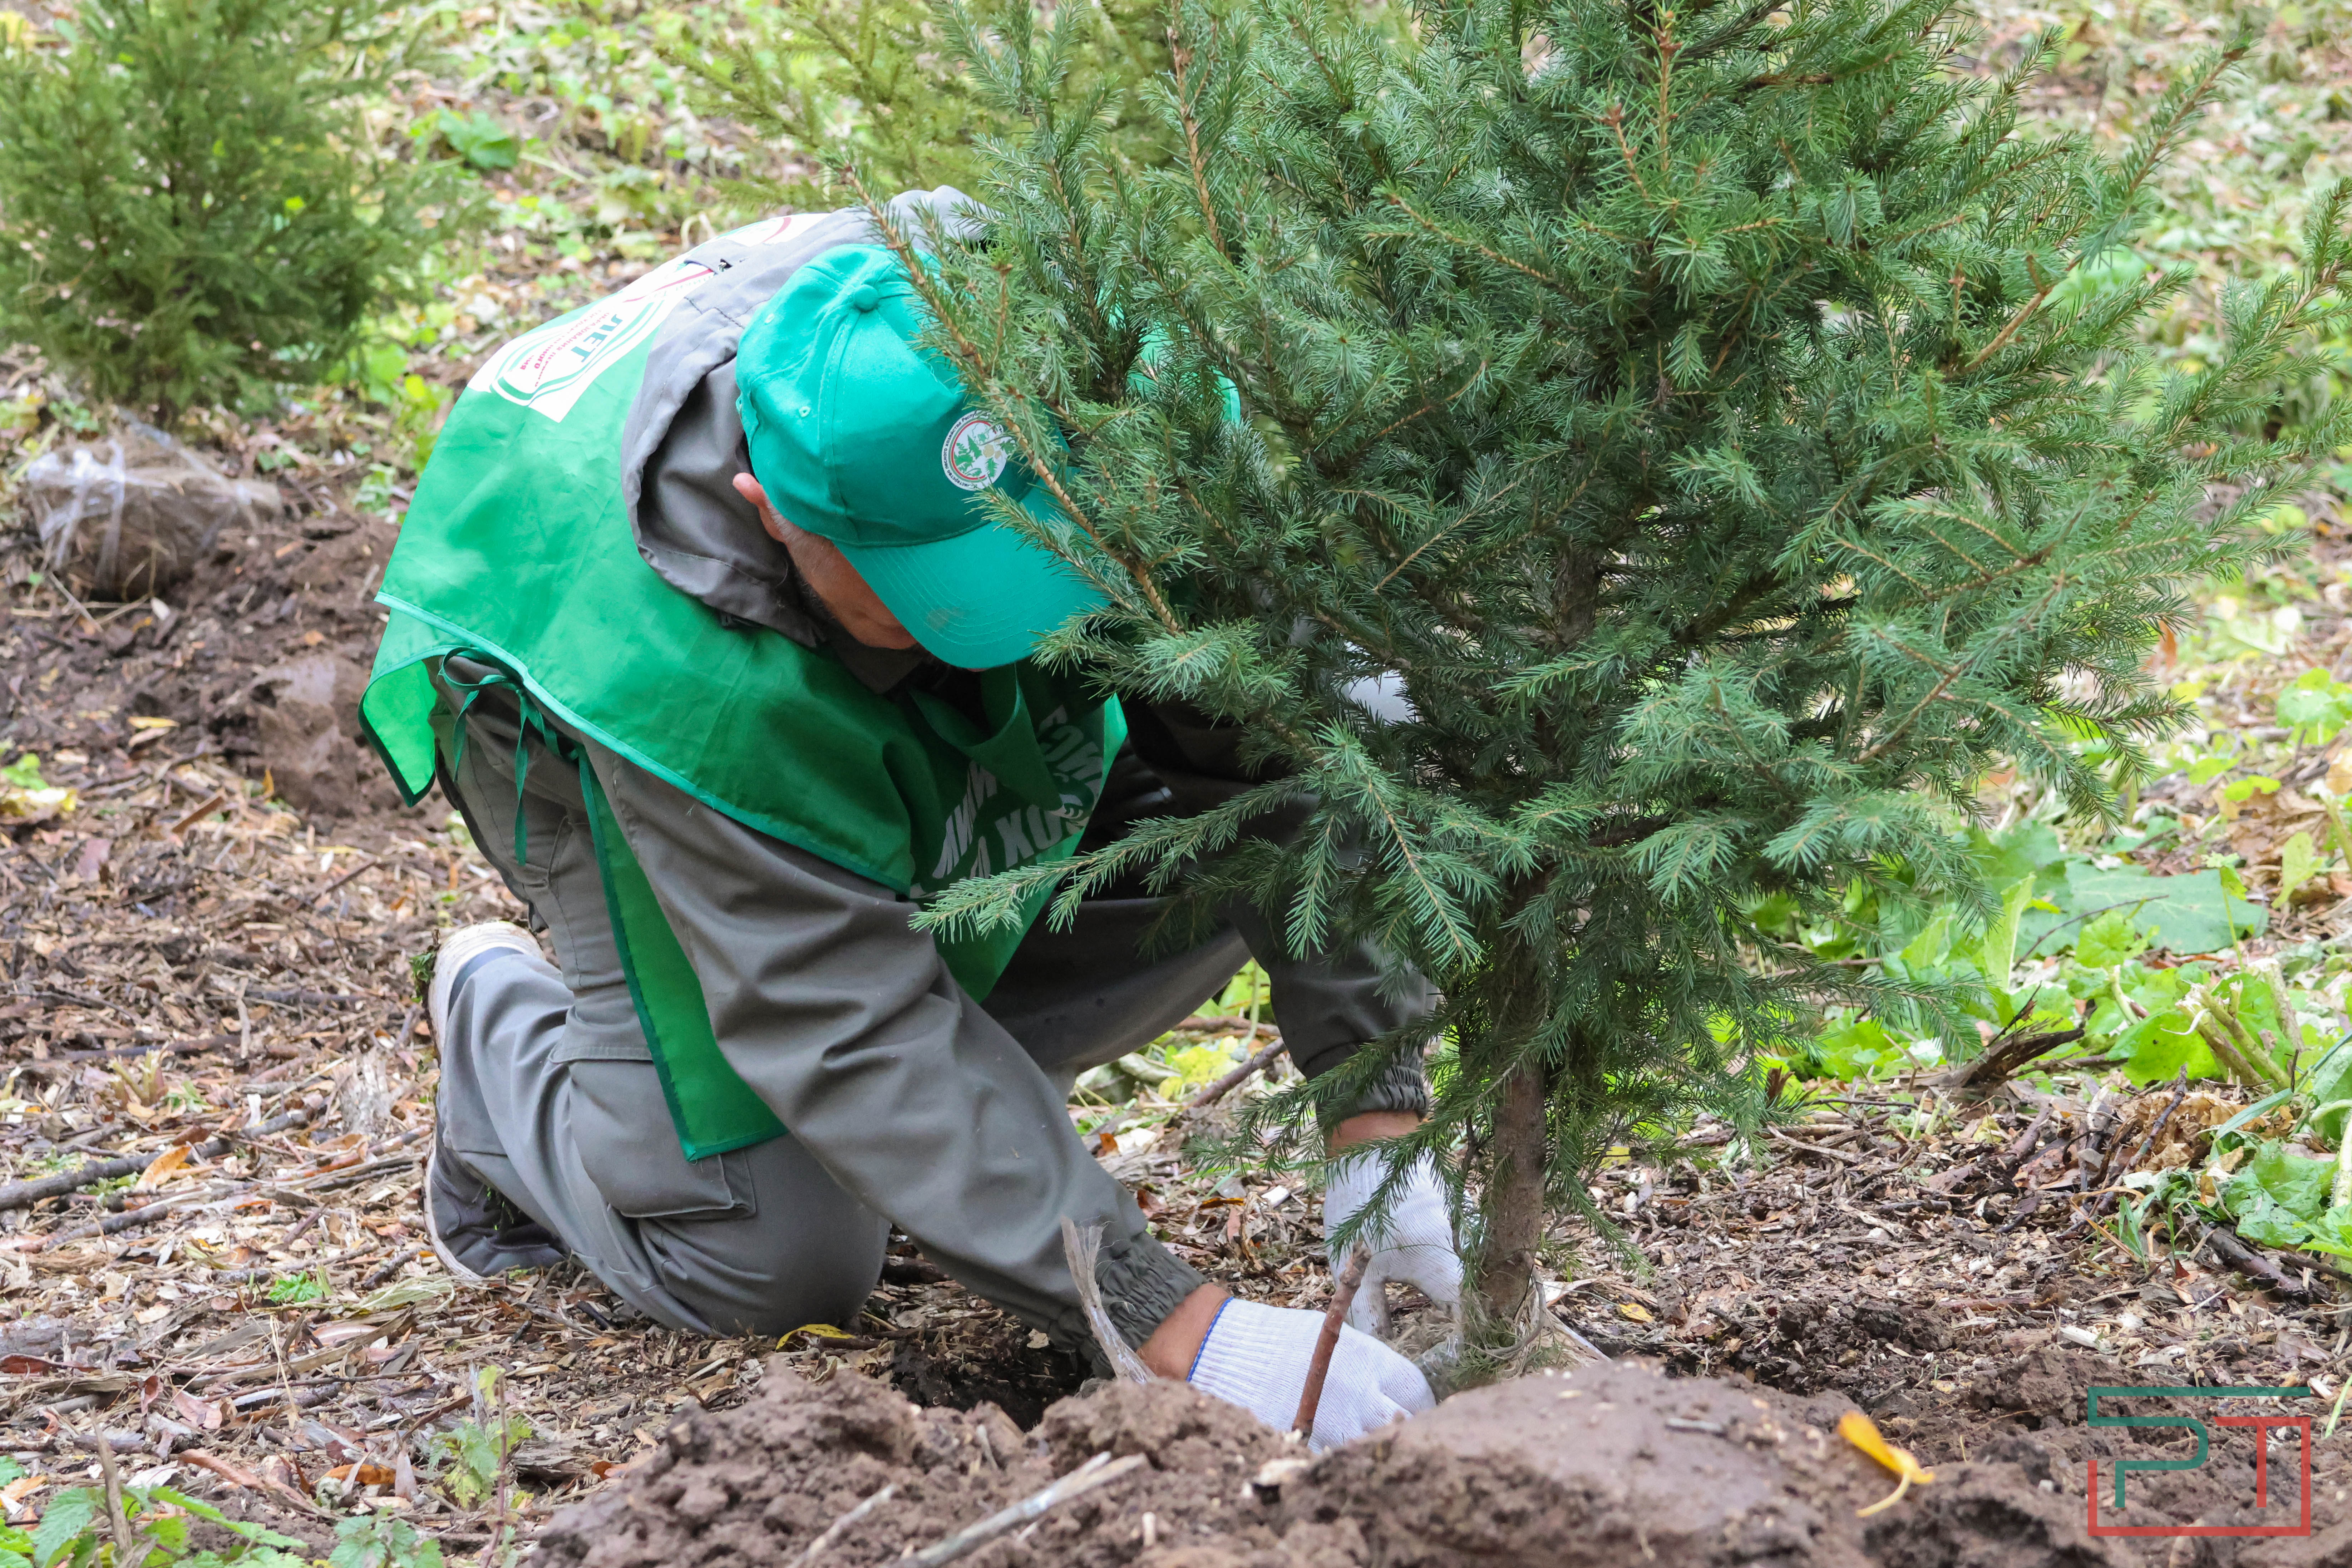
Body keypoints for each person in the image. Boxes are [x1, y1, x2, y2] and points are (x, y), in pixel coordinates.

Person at [358, 188, 1463, 1449]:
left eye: (1036, 571)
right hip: (574, 704)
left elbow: (1269, 758)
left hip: (873, 621)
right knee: (774, 1259)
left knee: (1196, 858)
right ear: (771, 504)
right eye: (928, 599)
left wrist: (1376, 1109)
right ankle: (499, 1039)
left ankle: (943, 1128)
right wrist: (1173, 1321)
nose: (1005, 631)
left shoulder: (1099, 397)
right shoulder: (681, 672)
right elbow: (840, 1010)